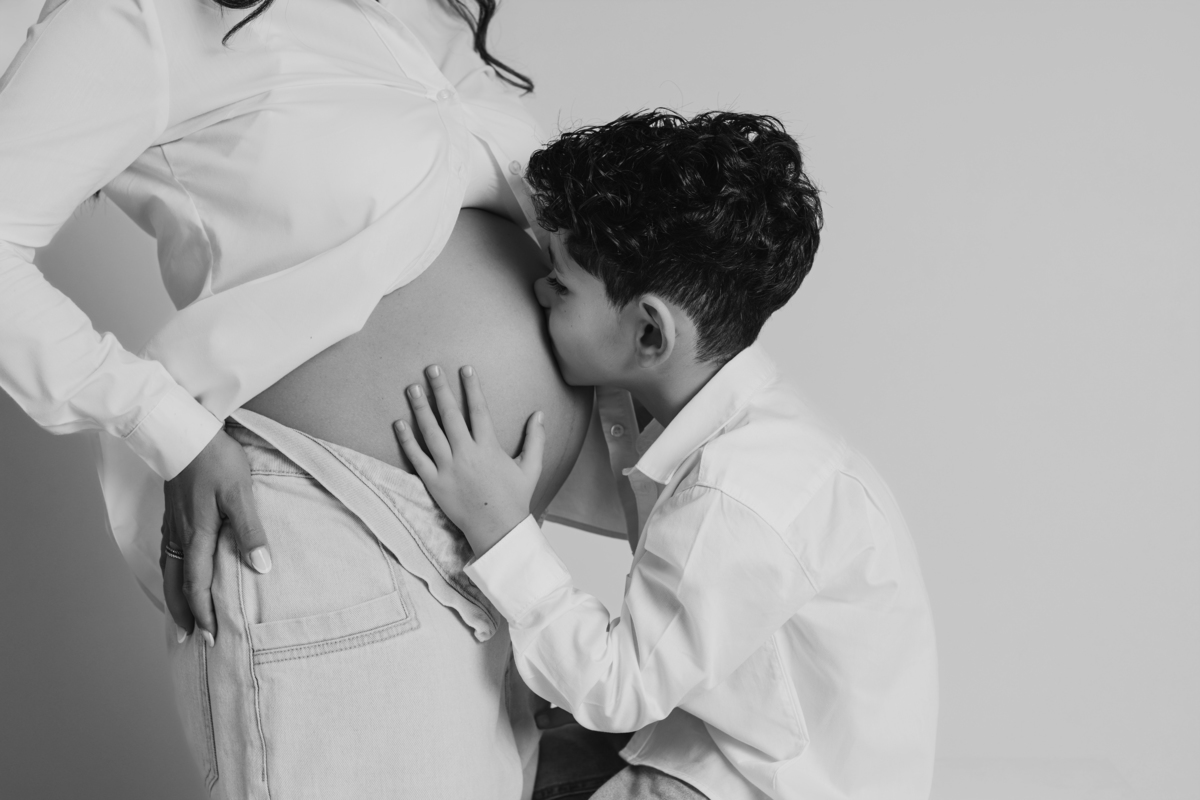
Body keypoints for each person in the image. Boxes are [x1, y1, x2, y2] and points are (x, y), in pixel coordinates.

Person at [0, 1, 631, 797]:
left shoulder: (418, 16)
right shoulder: (142, 15)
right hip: (332, 533)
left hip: (503, 554)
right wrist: (168, 429)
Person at [394, 110, 940, 800]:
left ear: (649, 333)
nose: (537, 290)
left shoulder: (736, 496)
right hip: (707, 740)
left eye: (560, 284)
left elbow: (615, 688)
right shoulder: (716, 424)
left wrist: (499, 527)